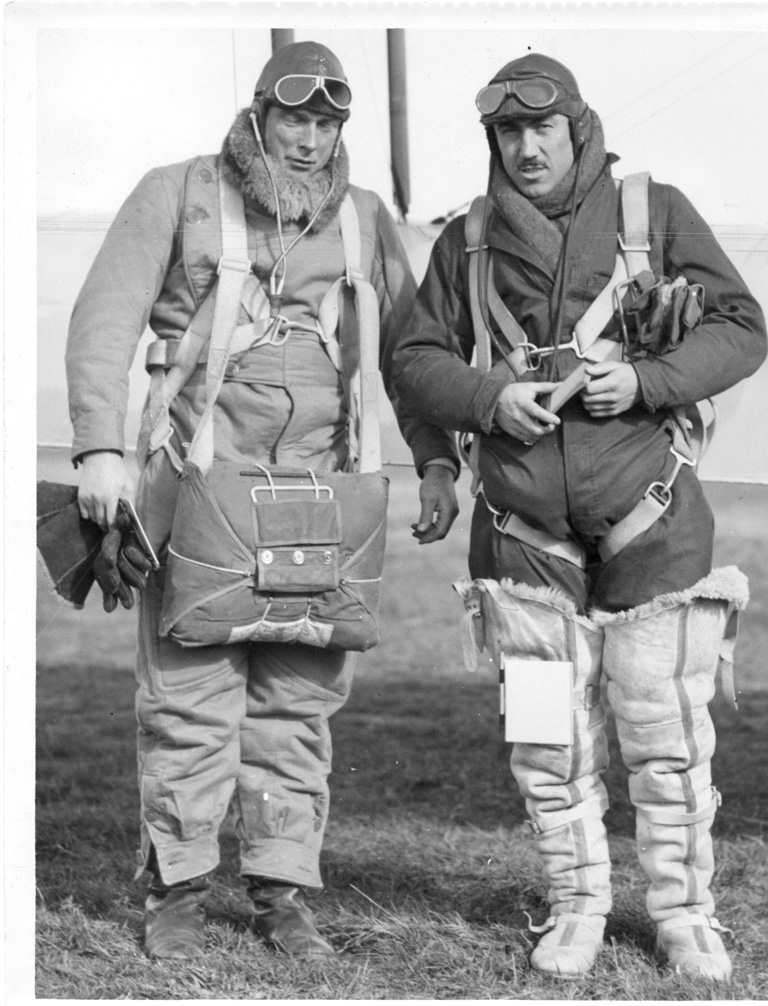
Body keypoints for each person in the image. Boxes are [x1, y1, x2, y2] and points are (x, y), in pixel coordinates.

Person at [66, 40, 459, 961]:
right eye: (295, 120)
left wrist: (436, 461)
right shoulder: (179, 190)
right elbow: (104, 317)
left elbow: (412, 357)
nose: (311, 140)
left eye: (327, 124)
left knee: (299, 701)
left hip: (321, 506)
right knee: (190, 700)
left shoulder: (365, 221)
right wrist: (96, 447)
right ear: (258, 117)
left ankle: (282, 891)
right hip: (196, 491)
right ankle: (179, 889)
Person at [393, 53, 767, 981]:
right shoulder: (467, 240)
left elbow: (742, 328)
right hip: (521, 531)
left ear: (578, 128)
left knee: (668, 729)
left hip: (653, 512)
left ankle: (686, 916)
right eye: (508, 132)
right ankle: (575, 906)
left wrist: (644, 379)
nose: (526, 147)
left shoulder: (654, 212)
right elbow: (414, 356)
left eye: (541, 129)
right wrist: (487, 399)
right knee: (544, 734)